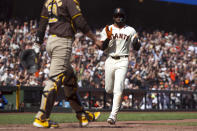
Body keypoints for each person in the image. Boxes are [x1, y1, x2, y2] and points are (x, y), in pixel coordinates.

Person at [32, 0, 102, 128]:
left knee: (69, 79)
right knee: (54, 80)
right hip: (62, 42)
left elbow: (42, 24)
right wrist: (95, 39)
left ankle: (81, 115)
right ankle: (41, 117)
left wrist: (37, 44)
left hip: (51, 42)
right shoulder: (68, 1)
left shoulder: (48, 1)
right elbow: (79, 21)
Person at [100, 7, 141, 125]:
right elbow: (102, 48)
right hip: (110, 59)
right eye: (117, 15)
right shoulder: (108, 28)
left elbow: (137, 47)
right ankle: (115, 101)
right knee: (108, 89)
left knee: (118, 88)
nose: (119, 17)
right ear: (113, 17)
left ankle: (113, 115)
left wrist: (136, 43)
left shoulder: (131, 30)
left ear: (124, 17)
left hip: (123, 60)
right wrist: (108, 37)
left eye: (121, 15)